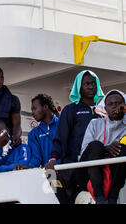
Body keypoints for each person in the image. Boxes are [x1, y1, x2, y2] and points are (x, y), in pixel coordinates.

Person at [45, 70, 104, 203]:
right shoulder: (71, 110)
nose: (90, 86)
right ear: (79, 87)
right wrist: (54, 157)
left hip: (99, 164)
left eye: (93, 83)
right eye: (86, 84)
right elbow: (61, 136)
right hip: (75, 165)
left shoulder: (102, 111)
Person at [76, 90, 126, 204]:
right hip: (88, 175)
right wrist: (106, 149)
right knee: (95, 145)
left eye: (118, 103)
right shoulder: (95, 123)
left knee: (123, 149)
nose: (115, 106)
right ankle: (100, 199)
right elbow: (85, 151)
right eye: (111, 104)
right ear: (105, 108)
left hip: (114, 176)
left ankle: (113, 198)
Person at [18, 94, 60, 169]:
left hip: (67, 170)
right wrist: (29, 167)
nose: (32, 112)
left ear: (45, 107)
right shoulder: (33, 133)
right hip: (49, 174)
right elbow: (36, 158)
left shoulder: (63, 124)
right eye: (32, 110)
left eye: (34, 108)